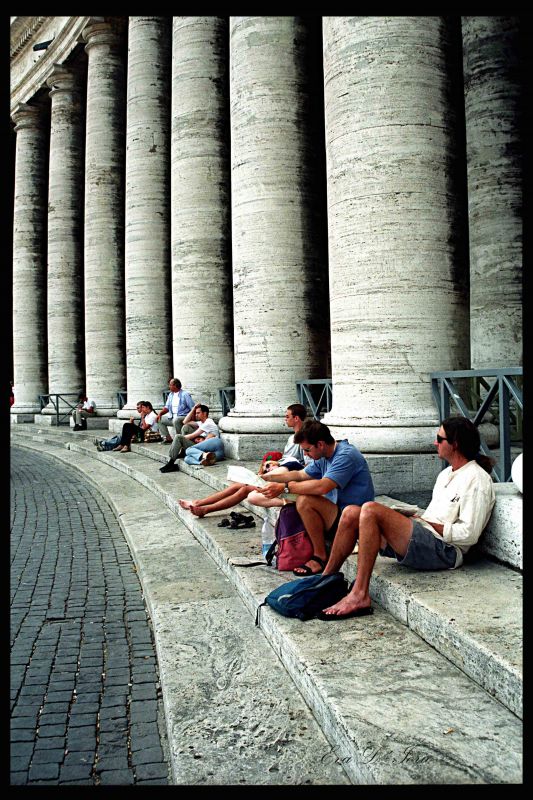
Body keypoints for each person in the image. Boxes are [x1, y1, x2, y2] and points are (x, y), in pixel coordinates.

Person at [318, 416, 496, 620]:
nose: (435, 442)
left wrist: (425, 522)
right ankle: (325, 580)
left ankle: (359, 594)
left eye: (439, 438)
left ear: (454, 444)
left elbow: (469, 534)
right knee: (350, 512)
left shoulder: (478, 479)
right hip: (425, 537)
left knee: (370, 509)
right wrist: (415, 518)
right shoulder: (446, 474)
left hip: (446, 551)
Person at [260, 419, 375, 576]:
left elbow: (323, 486)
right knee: (299, 500)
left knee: (305, 500)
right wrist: (270, 478)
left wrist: (285, 487)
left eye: (307, 450)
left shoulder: (346, 455)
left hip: (353, 519)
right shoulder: (324, 455)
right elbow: (301, 474)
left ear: (320, 444)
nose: (306, 455)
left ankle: (320, 556)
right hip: (337, 513)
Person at [179, 403, 309, 517]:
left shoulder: (305, 439)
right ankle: (200, 504)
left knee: (244, 488)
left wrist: (278, 467)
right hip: (282, 473)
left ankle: (204, 508)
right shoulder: (292, 437)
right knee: (239, 485)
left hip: (287, 478)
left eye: (287, 416)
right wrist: (273, 464)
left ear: (296, 418)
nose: (285, 419)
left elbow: (302, 465)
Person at [159, 403, 219, 472]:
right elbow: (185, 422)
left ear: (205, 413)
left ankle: (171, 463)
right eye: (196, 413)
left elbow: (192, 435)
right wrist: (193, 408)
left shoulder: (208, 423)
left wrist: (179, 439)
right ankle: (182, 452)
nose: (196, 415)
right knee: (186, 427)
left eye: (198, 413)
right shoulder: (201, 423)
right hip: (201, 445)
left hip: (207, 449)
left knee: (178, 437)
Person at [156, 378, 195, 442]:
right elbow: (167, 407)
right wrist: (160, 414)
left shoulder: (185, 394)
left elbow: (192, 407)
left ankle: (180, 439)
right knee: (159, 419)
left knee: (176, 420)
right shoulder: (171, 395)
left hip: (183, 417)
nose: (169, 386)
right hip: (172, 417)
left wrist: (193, 419)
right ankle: (168, 438)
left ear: (175, 385)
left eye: (170, 385)